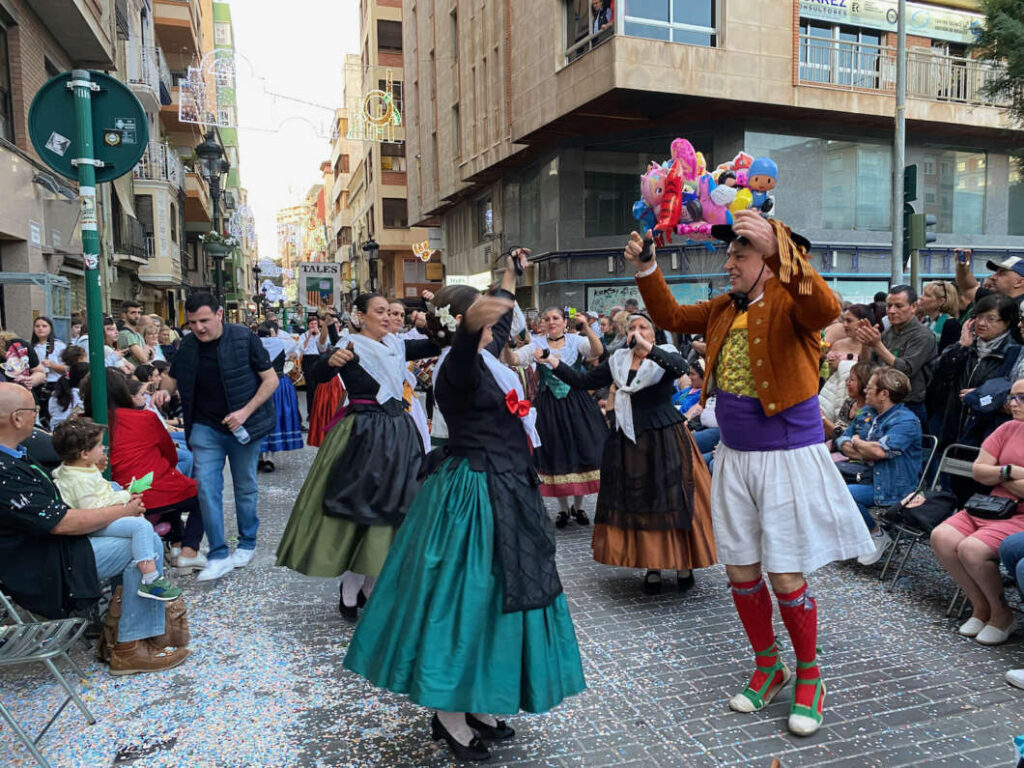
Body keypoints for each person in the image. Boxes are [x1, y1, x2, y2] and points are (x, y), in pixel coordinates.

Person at [624, 210, 873, 736]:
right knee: (740, 570)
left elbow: (825, 306)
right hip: (735, 456)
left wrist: (783, 251)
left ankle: (810, 676)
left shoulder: (794, 301)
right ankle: (769, 665)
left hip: (785, 456)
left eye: (740, 254)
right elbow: (669, 312)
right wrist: (647, 267)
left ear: (768, 258)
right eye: (730, 254)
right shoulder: (723, 306)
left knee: (785, 573)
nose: (730, 263)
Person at [343, 252, 585, 761]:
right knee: (464, 601)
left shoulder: (487, 353)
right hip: (472, 496)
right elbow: (473, 336)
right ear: (463, 323)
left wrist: (510, 274)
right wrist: (478, 312)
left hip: (507, 489)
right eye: (483, 319)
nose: (495, 327)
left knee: (498, 599)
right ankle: (449, 713)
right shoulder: (457, 367)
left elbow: (498, 323)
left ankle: (476, 701)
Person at [0, 382, 188, 674]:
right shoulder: (5, 469)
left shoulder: (15, 455)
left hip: (47, 548)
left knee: (142, 536)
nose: (37, 416)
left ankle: (129, 637)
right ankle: (130, 645)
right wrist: (123, 510)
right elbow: (60, 522)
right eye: (33, 411)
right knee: (142, 542)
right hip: (41, 562)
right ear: (16, 418)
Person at [276, 292, 440, 618]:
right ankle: (350, 588)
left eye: (389, 311)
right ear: (360, 316)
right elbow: (318, 372)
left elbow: (437, 344)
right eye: (379, 311)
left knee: (392, 512)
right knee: (362, 511)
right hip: (364, 436)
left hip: (399, 434)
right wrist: (330, 361)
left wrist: (434, 314)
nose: (387, 317)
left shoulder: (396, 345)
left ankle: (371, 586)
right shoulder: (350, 346)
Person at [545, 311, 716, 594]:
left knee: (674, 498)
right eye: (632, 327)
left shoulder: (665, 355)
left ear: (652, 333)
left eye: (643, 327)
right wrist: (550, 359)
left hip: (665, 437)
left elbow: (679, 368)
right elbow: (582, 382)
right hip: (630, 439)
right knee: (642, 503)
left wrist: (648, 348)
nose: (636, 331)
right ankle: (652, 565)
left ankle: (683, 563)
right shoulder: (618, 361)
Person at [153, 292, 278, 581]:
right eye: (192, 322)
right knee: (207, 489)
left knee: (245, 486)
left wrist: (245, 412)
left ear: (219, 314)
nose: (198, 328)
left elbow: (270, 380)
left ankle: (247, 543)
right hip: (204, 427)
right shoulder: (187, 345)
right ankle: (219, 554)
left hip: (242, 426)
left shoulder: (244, 338)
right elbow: (173, 376)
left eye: (204, 320)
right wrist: (164, 390)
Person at [931, 378, 1024, 647]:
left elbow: (988, 473)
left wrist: (998, 475)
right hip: (991, 506)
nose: (1013, 403)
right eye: (1012, 397)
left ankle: (1001, 613)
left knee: (971, 549)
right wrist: (1009, 471)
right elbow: (978, 471)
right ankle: (981, 607)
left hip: (1018, 515)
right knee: (942, 537)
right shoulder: (1007, 428)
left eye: (1021, 397)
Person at [51, 418, 182, 602]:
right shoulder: (79, 480)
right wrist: (124, 498)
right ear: (84, 454)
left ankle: (145, 578)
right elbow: (93, 508)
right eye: (99, 446)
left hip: (98, 520)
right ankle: (151, 578)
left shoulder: (78, 469)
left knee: (139, 526)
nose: (103, 449)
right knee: (141, 527)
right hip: (93, 526)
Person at [86, 370, 206, 570]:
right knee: (203, 494)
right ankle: (188, 551)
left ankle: (177, 544)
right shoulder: (143, 418)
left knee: (169, 484)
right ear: (123, 391)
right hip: (141, 492)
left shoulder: (84, 424)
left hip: (109, 496)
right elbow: (170, 454)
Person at [506, 307, 607, 527]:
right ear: (542, 323)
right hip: (549, 404)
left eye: (555, 318)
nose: (551, 322)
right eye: (547, 319)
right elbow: (514, 359)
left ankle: (578, 506)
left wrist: (587, 327)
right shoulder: (536, 343)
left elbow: (597, 351)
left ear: (564, 322)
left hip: (576, 402)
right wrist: (506, 342)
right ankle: (562, 509)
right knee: (556, 450)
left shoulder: (575, 340)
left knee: (579, 447)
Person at [835, 368, 922, 565]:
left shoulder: (906, 421)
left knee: (841, 495)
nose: (865, 390)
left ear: (884, 394)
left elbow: (881, 452)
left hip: (892, 485)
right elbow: (842, 439)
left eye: (870, 387)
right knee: (821, 485)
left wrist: (857, 442)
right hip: (865, 475)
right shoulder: (867, 412)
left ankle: (877, 534)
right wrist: (861, 448)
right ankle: (856, 537)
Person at [931, 293, 1020, 453]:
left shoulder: (1014, 354)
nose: (981, 323)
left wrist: (982, 396)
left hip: (987, 437)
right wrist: (961, 347)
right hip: (952, 432)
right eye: (978, 317)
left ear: (1006, 323)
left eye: (991, 319)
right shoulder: (965, 347)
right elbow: (939, 376)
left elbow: (1014, 399)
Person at [851, 286, 937, 428]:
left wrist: (877, 345)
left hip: (908, 405)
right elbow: (867, 367)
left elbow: (906, 370)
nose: (891, 311)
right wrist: (865, 343)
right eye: (889, 306)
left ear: (913, 307)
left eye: (898, 306)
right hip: (881, 403)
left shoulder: (923, 335)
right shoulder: (888, 333)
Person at [257, 322, 303, 471]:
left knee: (259, 420)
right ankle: (269, 458)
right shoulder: (283, 343)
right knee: (276, 418)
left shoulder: (255, 344)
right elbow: (296, 348)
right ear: (274, 332)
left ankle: (259, 457)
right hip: (278, 384)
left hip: (258, 384)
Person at [31, 315, 67, 428]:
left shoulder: (59, 345)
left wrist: (52, 365)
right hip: (38, 385)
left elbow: (67, 369)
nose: (40, 329)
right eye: (37, 326)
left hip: (55, 384)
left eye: (44, 326)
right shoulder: (32, 347)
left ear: (50, 328)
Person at [297, 316, 328, 424]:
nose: (313, 326)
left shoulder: (321, 335)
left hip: (319, 358)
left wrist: (319, 335)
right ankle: (311, 412)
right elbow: (301, 348)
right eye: (311, 324)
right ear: (308, 325)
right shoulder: (304, 335)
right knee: (310, 387)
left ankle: (321, 411)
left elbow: (324, 347)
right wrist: (309, 336)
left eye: (315, 324)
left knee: (320, 386)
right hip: (308, 359)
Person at [919, 280, 962, 353]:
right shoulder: (925, 321)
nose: (921, 298)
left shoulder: (951, 325)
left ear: (941, 301)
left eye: (927, 295)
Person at [49, 360, 89, 429]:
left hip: (55, 430)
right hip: (73, 431)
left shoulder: (56, 395)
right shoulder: (81, 397)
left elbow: (51, 412)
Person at [119, 301, 151, 366]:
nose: (137, 316)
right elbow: (143, 358)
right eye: (133, 313)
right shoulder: (126, 334)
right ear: (124, 315)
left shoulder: (137, 334)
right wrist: (146, 350)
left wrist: (145, 351)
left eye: (139, 313)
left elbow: (151, 355)